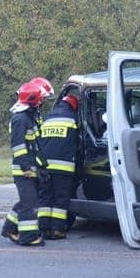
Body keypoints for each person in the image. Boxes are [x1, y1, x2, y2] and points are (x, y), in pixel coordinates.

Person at [1, 82, 45, 247]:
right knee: (28, 203)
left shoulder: (28, 116)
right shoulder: (20, 119)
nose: (41, 102)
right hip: (23, 169)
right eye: (40, 100)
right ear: (32, 100)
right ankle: (28, 237)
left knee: (27, 201)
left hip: (31, 167)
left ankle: (9, 228)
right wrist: (26, 167)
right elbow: (18, 146)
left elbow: (34, 144)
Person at [37, 94, 79, 239]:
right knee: (60, 199)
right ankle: (57, 230)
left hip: (45, 166)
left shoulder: (48, 118)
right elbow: (79, 141)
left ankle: (43, 228)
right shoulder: (73, 118)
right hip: (63, 167)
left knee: (45, 198)